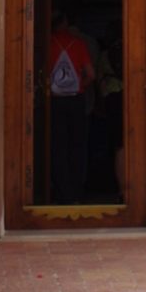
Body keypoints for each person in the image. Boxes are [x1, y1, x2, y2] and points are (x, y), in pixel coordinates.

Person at [45, 12, 95, 203]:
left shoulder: (47, 43)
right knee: (77, 145)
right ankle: (76, 192)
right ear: (65, 22)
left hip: (55, 100)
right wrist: (80, 85)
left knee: (57, 146)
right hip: (76, 99)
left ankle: (61, 191)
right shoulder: (78, 44)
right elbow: (91, 74)